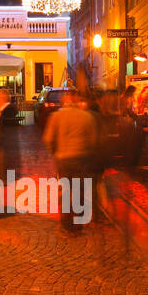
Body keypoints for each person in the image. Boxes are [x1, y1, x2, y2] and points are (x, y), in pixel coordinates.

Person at [43, 89, 100, 229]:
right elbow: (93, 140)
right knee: (79, 189)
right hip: (81, 157)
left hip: (63, 159)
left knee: (65, 189)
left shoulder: (56, 117)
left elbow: (48, 139)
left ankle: (66, 220)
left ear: (64, 101)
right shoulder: (86, 117)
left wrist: (54, 152)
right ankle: (78, 218)